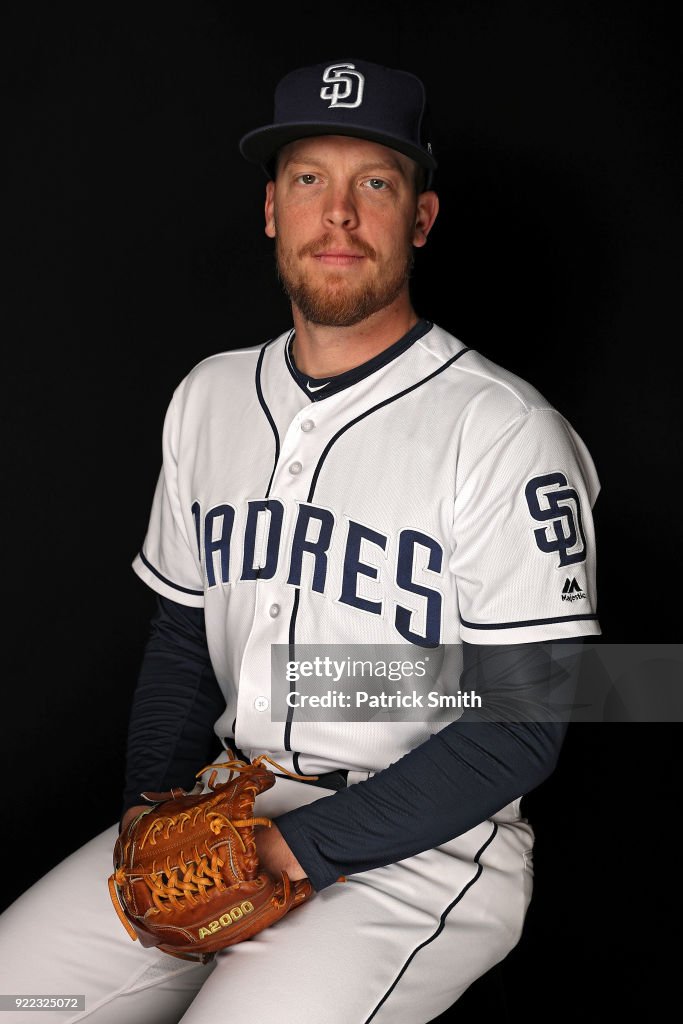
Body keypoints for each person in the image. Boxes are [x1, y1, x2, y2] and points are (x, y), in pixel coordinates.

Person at [0, 58, 601, 1023]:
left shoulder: (503, 429)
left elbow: (521, 725)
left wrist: (285, 856)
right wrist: (155, 815)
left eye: (375, 183)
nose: (340, 214)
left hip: (420, 849)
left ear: (421, 218)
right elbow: (181, 637)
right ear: (272, 208)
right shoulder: (209, 395)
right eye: (309, 179)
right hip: (226, 803)